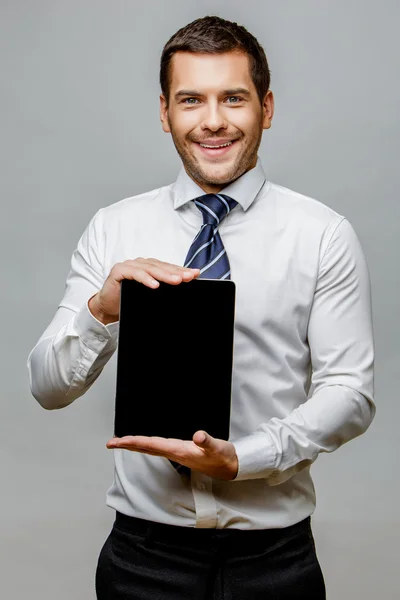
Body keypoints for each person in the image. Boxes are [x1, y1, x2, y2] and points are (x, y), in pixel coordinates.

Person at [27, 15, 375, 600]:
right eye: (191, 100)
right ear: (164, 113)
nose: (213, 120)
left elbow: (350, 392)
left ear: (266, 107)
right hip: (142, 558)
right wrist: (102, 310)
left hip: (275, 559)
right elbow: (47, 387)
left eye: (233, 98)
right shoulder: (114, 229)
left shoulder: (322, 234)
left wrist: (245, 458)